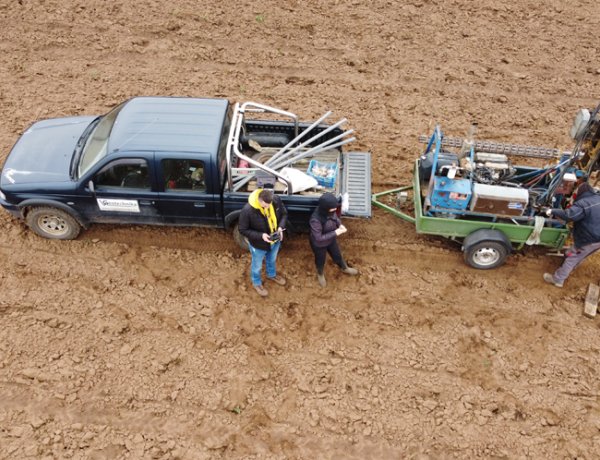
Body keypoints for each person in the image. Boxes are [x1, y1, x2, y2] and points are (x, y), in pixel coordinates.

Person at [543, 182, 600, 288]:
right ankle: (571, 260)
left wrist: (552, 211)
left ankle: (557, 280)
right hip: (597, 239)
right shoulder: (597, 198)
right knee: (582, 253)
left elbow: (569, 215)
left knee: (573, 257)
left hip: (590, 238)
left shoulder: (584, 204)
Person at [238, 188, 287, 297]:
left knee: (272, 259)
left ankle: (271, 275)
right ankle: (256, 283)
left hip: (275, 240)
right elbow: (242, 229)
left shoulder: (275, 200)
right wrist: (261, 236)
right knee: (257, 265)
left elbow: (284, 214)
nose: (268, 207)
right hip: (259, 244)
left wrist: (280, 228)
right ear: (259, 200)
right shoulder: (247, 210)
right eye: (265, 205)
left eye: (270, 205)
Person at [309, 192, 358, 287]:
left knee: (337, 255)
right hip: (319, 245)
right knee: (320, 260)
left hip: (331, 240)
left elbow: (335, 217)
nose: (335, 210)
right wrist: (336, 232)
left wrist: (340, 224)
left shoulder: (330, 211)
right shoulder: (315, 220)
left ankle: (344, 268)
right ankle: (320, 274)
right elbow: (318, 238)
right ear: (325, 208)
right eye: (333, 209)